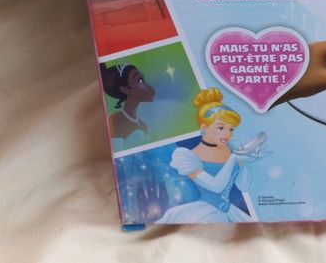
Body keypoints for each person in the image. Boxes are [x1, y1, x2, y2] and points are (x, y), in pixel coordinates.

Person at [156, 88, 266, 224]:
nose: (227, 134)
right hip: (204, 213)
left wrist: (246, 163)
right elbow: (216, 186)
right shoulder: (187, 156)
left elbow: (243, 186)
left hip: (230, 212)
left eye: (231, 129)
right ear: (203, 127)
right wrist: (233, 159)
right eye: (220, 128)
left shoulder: (231, 148)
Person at [100, 62, 155, 141]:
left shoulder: (143, 124)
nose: (150, 87)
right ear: (125, 89)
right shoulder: (115, 122)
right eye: (140, 81)